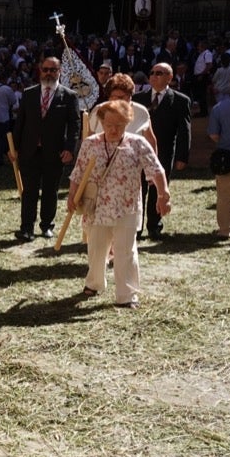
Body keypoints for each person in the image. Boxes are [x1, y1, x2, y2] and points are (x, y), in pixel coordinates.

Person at [68, 101, 170, 308]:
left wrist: (163, 194)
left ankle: (127, 294)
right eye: (109, 125)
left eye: (120, 125)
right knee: (96, 248)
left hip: (127, 206)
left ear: (127, 123)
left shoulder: (137, 143)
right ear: (101, 123)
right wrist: (72, 196)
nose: (114, 130)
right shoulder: (91, 143)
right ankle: (94, 283)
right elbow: (77, 172)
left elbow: (156, 170)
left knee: (126, 250)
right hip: (96, 207)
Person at [11, 57, 80, 241]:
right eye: (45, 69)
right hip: (29, 151)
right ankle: (26, 228)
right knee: (29, 192)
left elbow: (74, 125)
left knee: (50, 191)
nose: (48, 73)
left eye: (53, 69)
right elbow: (20, 123)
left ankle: (47, 225)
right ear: (40, 71)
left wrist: (70, 149)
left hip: (55, 152)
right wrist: (14, 148)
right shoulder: (29, 93)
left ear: (60, 72)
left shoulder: (69, 96)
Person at [133, 63, 191, 239]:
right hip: (138, 153)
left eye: (159, 73)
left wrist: (182, 156)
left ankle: (154, 225)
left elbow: (184, 131)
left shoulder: (180, 101)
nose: (154, 76)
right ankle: (137, 227)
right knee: (139, 189)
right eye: (152, 73)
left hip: (163, 153)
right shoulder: (137, 98)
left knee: (158, 189)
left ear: (170, 77)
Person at [208, 71, 230, 239]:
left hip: (229, 158)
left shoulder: (220, 107)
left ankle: (225, 230)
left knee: (225, 197)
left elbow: (214, 135)